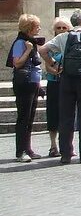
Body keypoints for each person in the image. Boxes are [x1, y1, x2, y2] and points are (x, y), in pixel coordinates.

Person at [41, 10, 81, 164]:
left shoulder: (62, 37)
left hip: (66, 80)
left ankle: (66, 154)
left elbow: (42, 50)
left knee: (66, 117)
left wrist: (55, 65)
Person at [8, 14, 43, 160]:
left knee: (30, 118)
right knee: (23, 117)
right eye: (37, 26)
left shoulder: (31, 42)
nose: (39, 28)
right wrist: (28, 50)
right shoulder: (20, 43)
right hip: (24, 83)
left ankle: (28, 148)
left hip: (33, 82)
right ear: (30, 28)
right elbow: (17, 63)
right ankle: (20, 151)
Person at [40, 17, 71, 156]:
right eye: (59, 28)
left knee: (67, 114)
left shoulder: (71, 43)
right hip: (54, 82)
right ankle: (53, 146)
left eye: (64, 28)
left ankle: (67, 145)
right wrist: (56, 71)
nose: (61, 30)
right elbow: (46, 65)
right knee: (53, 114)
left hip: (68, 83)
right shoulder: (50, 45)